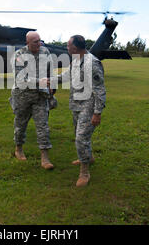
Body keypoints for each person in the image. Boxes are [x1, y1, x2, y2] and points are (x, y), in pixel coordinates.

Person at [50, 35, 106, 187]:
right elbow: (67, 76)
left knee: (81, 138)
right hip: (76, 105)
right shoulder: (75, 60)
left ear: (74, 48)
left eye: (68, 46)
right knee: (79, 135)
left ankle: (84, 172)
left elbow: (100, 90)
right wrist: (52, 80)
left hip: (89, 106)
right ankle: (88, 157)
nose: (66, 48)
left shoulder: (93, 63)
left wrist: (97, 112)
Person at [9, 31, 54, 170]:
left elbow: (50, 71)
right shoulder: (19, 55)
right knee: (20, 124)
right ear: (27, 42)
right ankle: (18, 148)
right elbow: (20, 79)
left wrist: (51, 84)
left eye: (40, 40)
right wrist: (41, 82)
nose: (39, 44)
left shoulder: (45, 52)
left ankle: (45, 158)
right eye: (35, 42)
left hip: (40, 96)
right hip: (22, 96)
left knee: (43, 126)